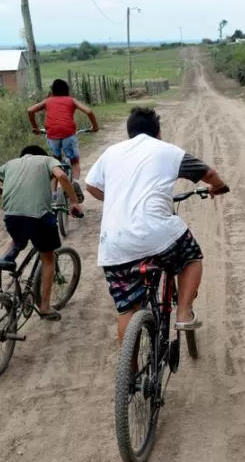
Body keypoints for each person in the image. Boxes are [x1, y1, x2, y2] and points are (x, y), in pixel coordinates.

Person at [84, 107, 229, 342]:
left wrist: (114, 198)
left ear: (129, 132)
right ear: (158, 132)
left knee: (128, 311)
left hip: (113, 246)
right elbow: (209, 173)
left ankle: (129, 377)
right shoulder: (167, 151)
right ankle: (183, 313)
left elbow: (91, 185)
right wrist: (219, 187)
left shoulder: (112, 152)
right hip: (156, 235)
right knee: (191, 258)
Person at [0, 145, 83, 321]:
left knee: (17, 239)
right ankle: (45, 307)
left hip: (12, 217)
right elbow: (62, 176)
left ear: (23, 156)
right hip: (38, 218)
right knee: (48, 258)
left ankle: (2, 262)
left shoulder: (11, 164)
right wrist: (73, 202)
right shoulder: (48, 160)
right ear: (40, 155)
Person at [27, 79, 99, 202]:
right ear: (67, 90)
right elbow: (89, 111)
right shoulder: (71, 100)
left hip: (52, 134)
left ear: (52, 91)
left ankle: (53, 194)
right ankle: (75, 182)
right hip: (68, 134)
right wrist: (94, 127)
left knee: (55, 163)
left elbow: (30, 110)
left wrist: (35, 127)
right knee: (74, 162)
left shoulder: (48, 101)